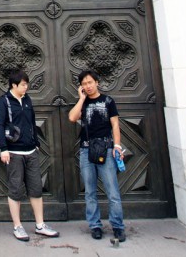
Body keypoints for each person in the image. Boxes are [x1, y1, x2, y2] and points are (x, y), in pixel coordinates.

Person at [0, 70, 60, 242]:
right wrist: (3, 148)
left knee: (36, 188)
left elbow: (32, 121)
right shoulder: (4, 101)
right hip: (14, 152)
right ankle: (18, 226)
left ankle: (40, 225)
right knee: (15, 190)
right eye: (23, 84)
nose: (26, 87)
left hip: (31, 151)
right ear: (14, 85)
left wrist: (36, 143)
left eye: (26, 84)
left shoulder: (27, 99)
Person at [68, 70, 125, 242]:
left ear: (97, 82)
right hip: (86, 150)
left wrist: (117, 145)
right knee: (90, 191)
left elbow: (115, 124)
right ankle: (95, 225)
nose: (88, 86)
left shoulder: (108, 101)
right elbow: (72, 117)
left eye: (90, 82)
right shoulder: (83, 103)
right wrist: (81, 99)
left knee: (112, 191)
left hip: (106, 149)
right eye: (84, 84)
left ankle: (117, 226)